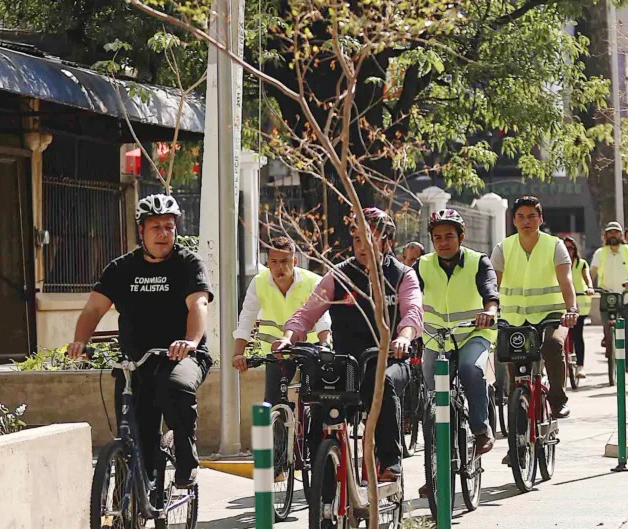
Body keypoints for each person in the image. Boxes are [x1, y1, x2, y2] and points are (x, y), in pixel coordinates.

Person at [69, 193, 212, 488]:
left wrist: (190, 341)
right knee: (134, 437)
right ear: (141, 231)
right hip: (135, 362)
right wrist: (80, 342)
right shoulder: (122, 269)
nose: (163, 234)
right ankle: (125, 520)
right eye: (155, 227)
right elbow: (94, 308)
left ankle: (186, 458)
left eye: (169, 227)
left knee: (176, 386)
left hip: (182, 356)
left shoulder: (188, 264)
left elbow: (198, 305)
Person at [274, 207, 422, 482]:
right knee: (320, 401)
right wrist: (288, 336)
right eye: (356, 240)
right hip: (348, 364)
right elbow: (307, 313)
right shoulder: (339, 276)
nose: (362, 246)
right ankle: (320, 472)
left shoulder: (402, 275)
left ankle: (390, 460)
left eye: (370, 238)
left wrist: (404, 336)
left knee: (383, 383)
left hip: (390, 359)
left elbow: (413, 311)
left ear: (387, 241)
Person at [414, 209, 498, 456]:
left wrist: (490, 312)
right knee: (433, 400)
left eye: (449, 236)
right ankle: (436, 469)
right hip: (435, 339)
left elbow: (490, 292)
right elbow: (408, 296)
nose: (443, 242)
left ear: (461, 237)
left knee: (471, 369)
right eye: (437, 237)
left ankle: (482, 431)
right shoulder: (423, 265)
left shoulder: (478, 261)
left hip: (473, 334)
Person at [490, 195, 578, 419]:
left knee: (552, 344)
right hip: (514, 318)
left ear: (540, 219)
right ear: (514, 221)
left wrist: (571, 310)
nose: (526, 221)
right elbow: (492, 286)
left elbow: (565, 280)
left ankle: (558, 401)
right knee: (514, 364)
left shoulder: (555, 245)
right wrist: (488, 311)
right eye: (520, 217)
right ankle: (516, 439)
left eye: (531, 216)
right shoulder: (503, 248)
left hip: (553, 315)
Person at [231, 236, 331, 404]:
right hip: (276, 352)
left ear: (295, 261)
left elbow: (323, 320)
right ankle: (277, 425)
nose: (280, 267)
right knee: (273, 401)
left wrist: (325, 346)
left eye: (285, 261)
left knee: (316, 401)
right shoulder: (259, 283)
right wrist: (238, 353)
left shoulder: (313, 282)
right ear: (268, 262)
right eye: (274, 262)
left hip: (310, 349)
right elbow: (246, 319)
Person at [591, 221, 628, 373]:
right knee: (607, 325)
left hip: (627, 295)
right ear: (606, 236)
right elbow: (592, 270)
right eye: (610, 232)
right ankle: (610, 348)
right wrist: (589, 285)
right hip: (607, 294)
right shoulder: (600, 252)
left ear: (621, 235)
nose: (613, 235)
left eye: (616, 232)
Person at [563, 236, 593, 379]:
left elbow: (587, 277)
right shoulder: (557, 262)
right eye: (565, 247)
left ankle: (580, 366)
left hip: (579, 303)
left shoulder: (581, 264)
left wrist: (590, 287)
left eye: (571, 248)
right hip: (561, 302)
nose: (568, 251)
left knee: (577, 335)